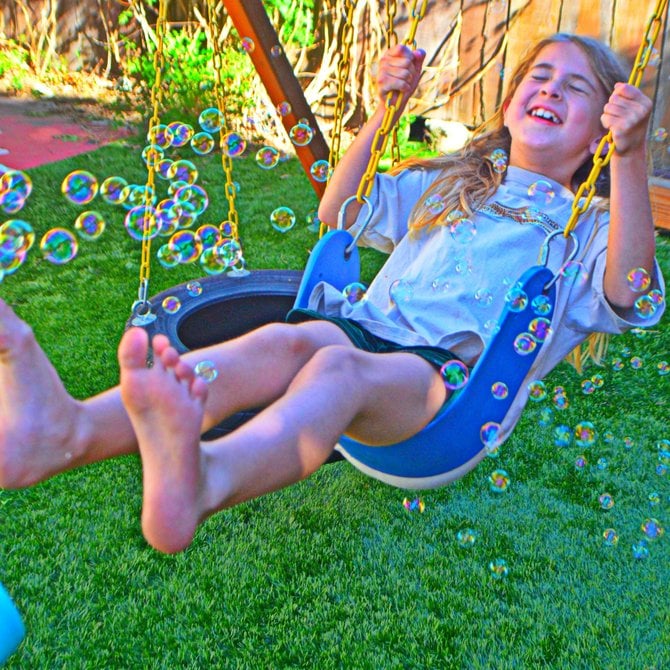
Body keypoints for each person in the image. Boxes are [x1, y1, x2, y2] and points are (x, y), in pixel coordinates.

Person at [0, 33, 664, 554]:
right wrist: (386, 110)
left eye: (577, 88)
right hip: (365, 331)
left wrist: (630, 159)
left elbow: (632, 291)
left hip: (450, 391)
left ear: (604, 126)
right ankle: (66, 431)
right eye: (538, 77)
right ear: (511, 99)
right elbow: (339, 209)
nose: (550, 89)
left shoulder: (593, 226)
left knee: (334, 363)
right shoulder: (458, 180)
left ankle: (208, 479)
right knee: (299, 337)